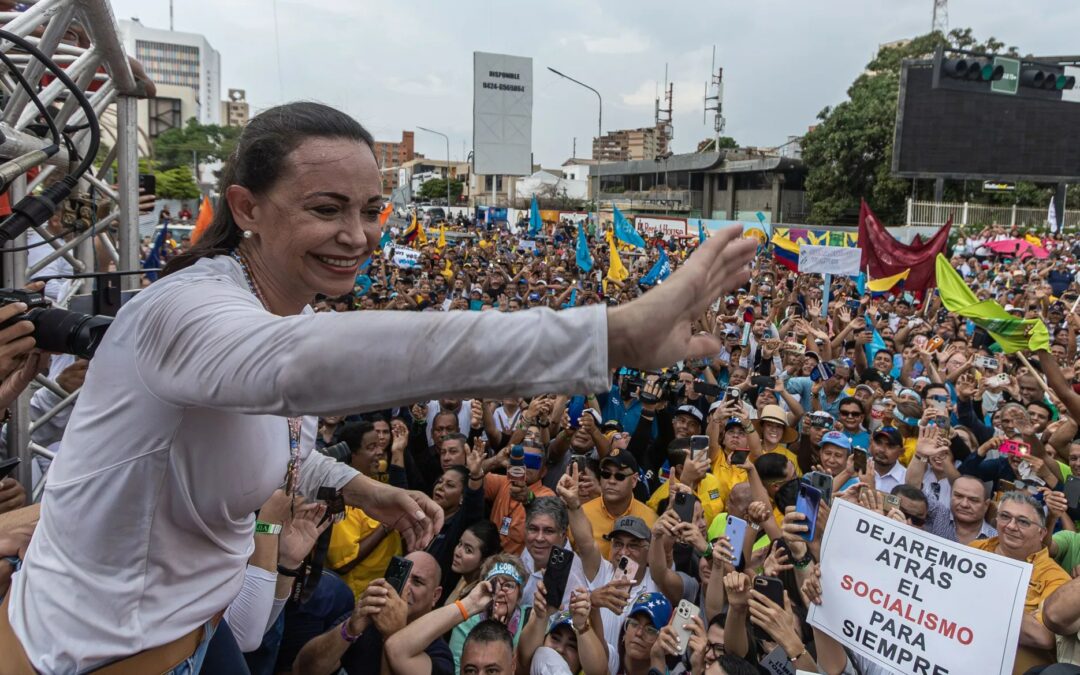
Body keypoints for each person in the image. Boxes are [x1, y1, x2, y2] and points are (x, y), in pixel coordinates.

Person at [2, 101, 758, 672]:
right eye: (327, 210)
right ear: (245, 209)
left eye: (371, 210)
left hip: (204, 643)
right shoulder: (185, 311)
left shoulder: (262, 306)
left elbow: (272, 435)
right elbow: (301, 368)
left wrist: (365, 489)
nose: (358, 236)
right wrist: (611, 332)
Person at [293, 551, 451, 675]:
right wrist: (348, 630)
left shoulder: (437, 653)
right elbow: (301, 670)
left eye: (417, 581)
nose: (404, 588)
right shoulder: (366, 619)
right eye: (402, 577)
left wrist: (393, 636)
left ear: (435, 595)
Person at [970, 491, 1072, 673]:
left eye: (1023, 521)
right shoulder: (975, 549)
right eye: (1005, 516)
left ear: (1041, 533)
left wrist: (976, 595)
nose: (1011, 526)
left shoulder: (1056, 578)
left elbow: (1042, 636)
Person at [581, 450, 658, 558]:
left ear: (634, 480)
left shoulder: (651, 520)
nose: (611, 481)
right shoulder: (582, 515)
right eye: (606, 474)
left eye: (620, 476)